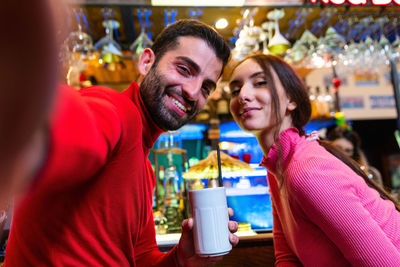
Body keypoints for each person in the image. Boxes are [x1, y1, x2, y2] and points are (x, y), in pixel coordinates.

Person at [4, 18, 239, 266]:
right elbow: (68, 134)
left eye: (206, 88)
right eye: (183, 69)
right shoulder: (118, 111)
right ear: (146, 62)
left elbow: (141, 257)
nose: (193, 92)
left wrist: (182, 258)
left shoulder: (144, 167)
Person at [228, 53, 400, 266]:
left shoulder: (308, 173)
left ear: (291, 99)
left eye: (260, 83)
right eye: (235, 90)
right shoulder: (277, 168)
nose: (242, 95)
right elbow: (286, 257)